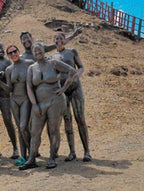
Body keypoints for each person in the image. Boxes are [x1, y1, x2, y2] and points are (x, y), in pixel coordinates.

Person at [20, 43, 77, 170]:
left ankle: (52, 158)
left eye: (39, 49)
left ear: (44, 51)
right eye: (35, 51)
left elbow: (72, 71)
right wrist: (34, 104)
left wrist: (63, 88)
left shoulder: (53, 63)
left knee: (53, 129)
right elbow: (29, 87)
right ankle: (31, 159)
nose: (37, 52)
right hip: (39, 103)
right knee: (35, 131)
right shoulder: (31, 68)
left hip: (55, 101)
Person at [51, 31, 92, 162]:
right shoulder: (53, 57)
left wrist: (75, 76)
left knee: (80, 118)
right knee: (67, 121)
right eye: (56, 38)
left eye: (60, 38)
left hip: (75, 89)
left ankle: (87, 152)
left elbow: (80, 67)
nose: (58, 40)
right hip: (63, 92)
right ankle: (72, 152)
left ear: (64, 40)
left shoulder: (72, 51)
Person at [0, 45, 33, 166]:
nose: (13, 54)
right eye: (10, 53)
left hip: (26, 98)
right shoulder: (9, 69)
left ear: (18, 51)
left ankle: (32, 154)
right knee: (19, 128)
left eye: (14, 51)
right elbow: (9, 88)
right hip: (14, 100)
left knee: (23, 127)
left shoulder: (28, 63)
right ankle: (23, 156)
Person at [0, 42, 18, 159]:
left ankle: (15, 148)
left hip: (4, 95)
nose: (0, 50)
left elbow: (10, 73)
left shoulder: (7, 61)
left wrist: (3, 74)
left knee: (7, 120)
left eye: (1, 48)